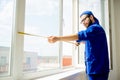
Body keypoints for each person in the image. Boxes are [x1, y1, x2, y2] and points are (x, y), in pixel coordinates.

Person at [48, 11, 109, 80]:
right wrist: (79, 41)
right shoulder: (96, 31)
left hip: (97, 71)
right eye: (82, 21)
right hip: (97, 70)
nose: (83, 22)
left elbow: (80, 35)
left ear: (91, 17)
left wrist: (58, 38)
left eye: (84, 19)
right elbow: (89, 41)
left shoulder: (95, 28)